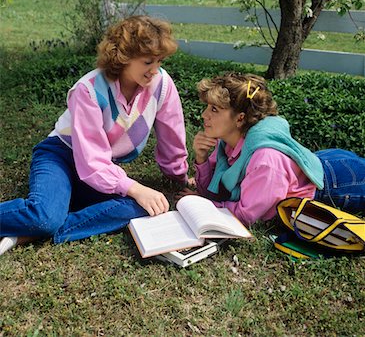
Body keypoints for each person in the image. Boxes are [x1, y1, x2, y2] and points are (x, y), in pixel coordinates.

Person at [0, 15, 189, 255]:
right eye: (148, 61)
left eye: (160, 61)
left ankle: (39, 230)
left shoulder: (162, 84)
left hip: (99, 167)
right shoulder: (88, 89)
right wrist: (134, 187)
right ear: (124, 57)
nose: (155, 69)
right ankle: (43, 223)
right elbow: (91, 160)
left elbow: (172, 136)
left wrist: (179, 177)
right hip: (60, 156)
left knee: (142, 206)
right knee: (43, 215)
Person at [177, 72, 365, 226]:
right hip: (319, 161)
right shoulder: (228, 141)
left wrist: (205, 205)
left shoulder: (265, 160)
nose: (204, 115)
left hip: (339, 182)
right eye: (208, 107)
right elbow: (213, 189)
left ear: (240, 118)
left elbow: (247, 215)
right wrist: (201, 158)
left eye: (214, 109)